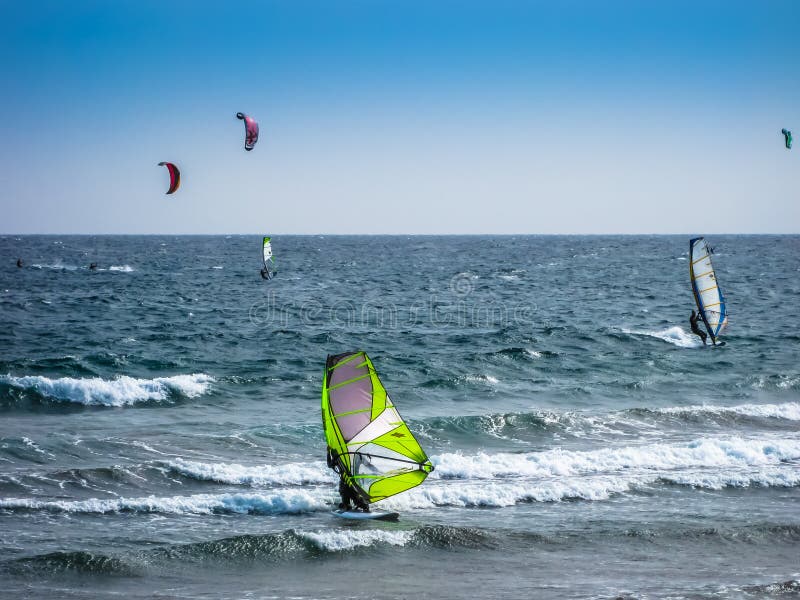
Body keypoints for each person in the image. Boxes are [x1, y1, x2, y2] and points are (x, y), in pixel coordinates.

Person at [326, 447, 369, 512]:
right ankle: (343, 505)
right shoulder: (339, 457)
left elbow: (369, 465)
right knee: (347, 507)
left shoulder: (358, 456)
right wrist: (328, 453)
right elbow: (330, 465)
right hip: (344, 485)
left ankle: (358, 503)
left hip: (354, 485)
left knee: (364, 506)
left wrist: (379, 472)